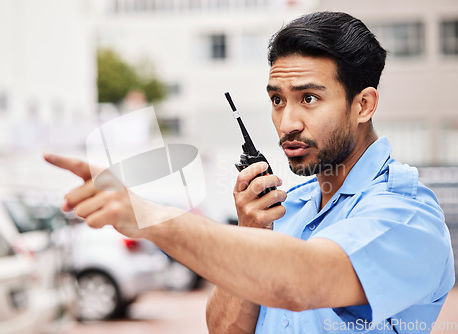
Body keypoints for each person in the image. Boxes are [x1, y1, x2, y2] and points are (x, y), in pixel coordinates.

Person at [44, 11, 455, 334]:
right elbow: (224, 331)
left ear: (363, 105)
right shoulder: (284, 210)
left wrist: (152, 217)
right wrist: (250, 232)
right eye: (277, 100)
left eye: (308, 98)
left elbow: (300, 281)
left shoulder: (407, 216)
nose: (287, 122)